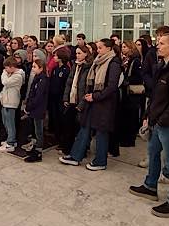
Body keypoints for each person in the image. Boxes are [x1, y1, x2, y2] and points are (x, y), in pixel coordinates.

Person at [129, 33, 169, 217]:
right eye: (158, 43)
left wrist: (162, 120)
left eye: (162, 43)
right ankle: (150, 186)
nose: (158, 46)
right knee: (153, 153)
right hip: (158, 121)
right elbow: (157, 96)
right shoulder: (163, 67)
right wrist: (150, 116)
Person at [60, 38, 121, 170]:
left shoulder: (113, 63)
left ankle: (100, 161)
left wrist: (95, 96)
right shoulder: (98, 62)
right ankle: (75, 156)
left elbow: (111, 86)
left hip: (104, 103)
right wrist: (90, 95)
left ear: (109, 49)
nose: (97, 50)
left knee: (101, 132)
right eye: (97, 48)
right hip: (93, 101)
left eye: (100, 48)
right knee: (85, 128)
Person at [61, 45, 92, 156]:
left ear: (86, 54)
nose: (77, 55)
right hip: (72, 99)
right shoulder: (75, 65)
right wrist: (66, 97)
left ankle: (81, 150)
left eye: (79, 53)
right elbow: (69, 82)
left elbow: (87, 88)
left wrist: (82, 103)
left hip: (81, 101)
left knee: (79, 127)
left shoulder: (89, 67)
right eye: (76, 53)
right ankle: (68, 149)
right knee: (69, 125)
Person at [23, 56, 49, 162]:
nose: (33, 68)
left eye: (35, 67)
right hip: (34, 108)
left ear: (41, 68)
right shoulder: (37, 78)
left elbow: (38, 97)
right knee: (34, 129)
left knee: (39, 130)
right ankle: (35, 147)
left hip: (38, 108)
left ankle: (38, 152)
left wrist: (29, 106)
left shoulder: (43, 80)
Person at [120, 41, 144, 147]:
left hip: (132, 93)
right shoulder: (127, 60)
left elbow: (138, 76)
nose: (123, 49)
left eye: (125, 47)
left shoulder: (136, 61)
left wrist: (126, 79)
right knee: (126, 116)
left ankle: (130, 139)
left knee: (131, 116)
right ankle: (125, 138)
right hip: (126, 92)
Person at [0, 56, 24, 152]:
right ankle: (10, 139)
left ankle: (11, 143)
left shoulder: (18, 76)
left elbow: (5, 82)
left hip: (11, 102)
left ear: (12, 67)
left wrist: (4, 73)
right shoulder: (9, 73)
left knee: (10, 123)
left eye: (6, 68)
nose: (5, 70)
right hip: (5, 101)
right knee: (5, 122)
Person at [48, 45, 71, 138]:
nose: (54, 58)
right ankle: (56, 133)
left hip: (60, 97)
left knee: (60, 116)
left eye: (56, 56)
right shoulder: (55, 69)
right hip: (53, 96)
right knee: (54, 115)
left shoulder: (66, 70)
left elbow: (65, 84)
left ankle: (61, 135)